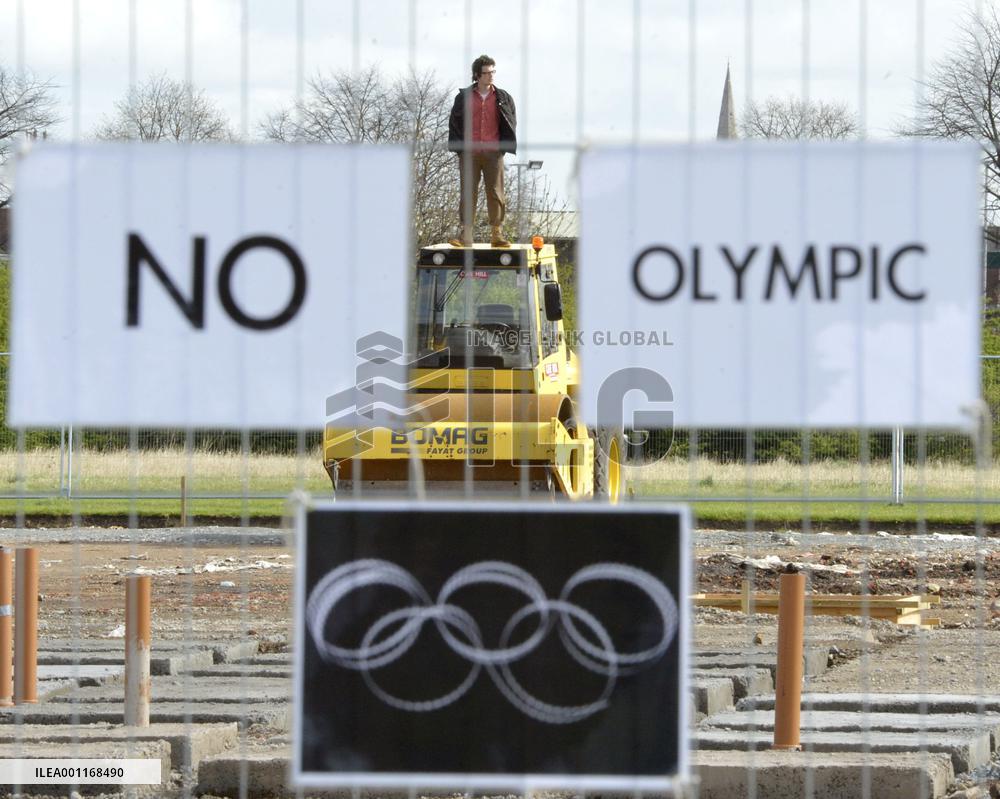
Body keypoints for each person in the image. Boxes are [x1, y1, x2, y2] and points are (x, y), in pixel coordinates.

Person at [447, 54, 516, 248]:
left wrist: (503, 147)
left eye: (493, 72)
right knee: (468, 192)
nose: (491, 76)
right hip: (469, 152)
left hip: (494, 152)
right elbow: (454, 123)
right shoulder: (464, 97)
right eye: (486, 73)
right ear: (477, 75)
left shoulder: (503, 97)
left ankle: (497, 234)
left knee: (495, 192)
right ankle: (465, 235)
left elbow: (511, 120)